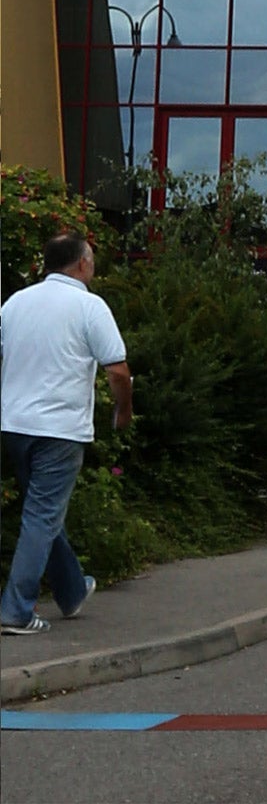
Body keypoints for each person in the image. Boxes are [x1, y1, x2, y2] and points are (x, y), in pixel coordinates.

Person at [1, 234, 132, 635]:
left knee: (44, 510)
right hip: (59, 430)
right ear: (81, 264)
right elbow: (118, 370)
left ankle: (72, 590)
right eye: (91, 259)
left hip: (13, 425)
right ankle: (16, 611)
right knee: (42, 515)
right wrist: (123, 411)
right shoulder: (89, 306)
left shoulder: (15, 303)